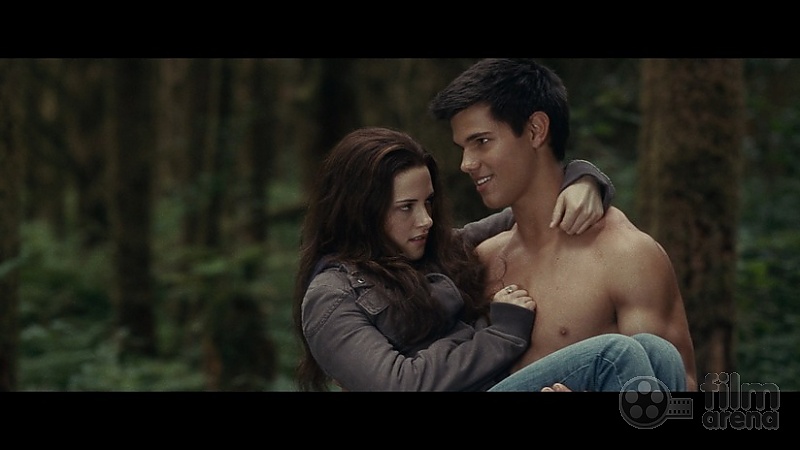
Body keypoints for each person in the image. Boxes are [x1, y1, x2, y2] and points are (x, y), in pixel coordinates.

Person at [292, 126, 687, 392]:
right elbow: (399, 385)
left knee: (658, 351)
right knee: (615, 355)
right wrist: (501, 334)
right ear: (360, 210)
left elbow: (526, 210)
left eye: (428, 203)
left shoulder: (429, 248)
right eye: (406, 207)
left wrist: (583, 180)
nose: (425, 220)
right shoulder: (330, 298)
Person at [429, 58, 698, 391]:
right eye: (463, 148)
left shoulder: (625, 255)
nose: (466, 164)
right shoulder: (484, 259)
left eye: (481, 141)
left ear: (535, 131)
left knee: (656, 353)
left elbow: (680, 387)